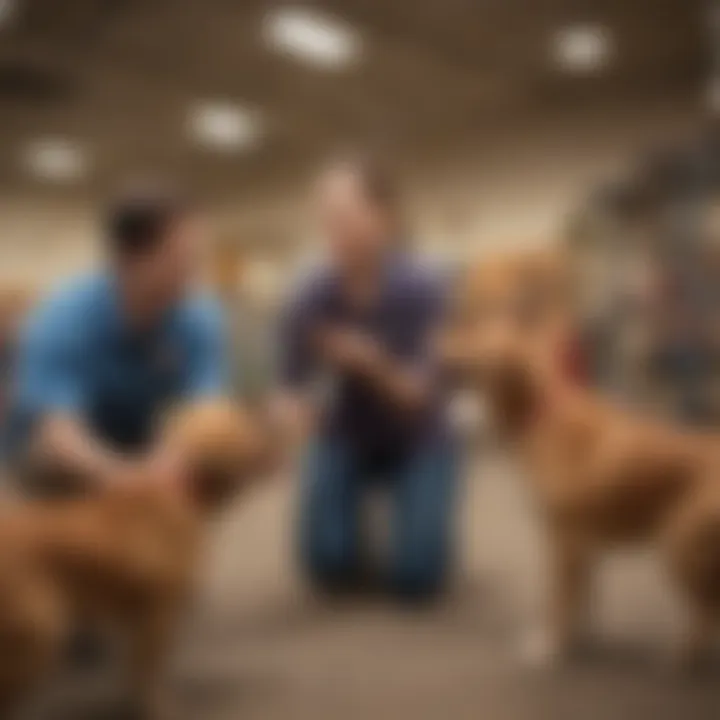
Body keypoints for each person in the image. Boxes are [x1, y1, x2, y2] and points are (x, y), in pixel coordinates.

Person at [275, 154, 458, 603]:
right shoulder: (310, 293)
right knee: (327, 567)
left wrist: (369, 364)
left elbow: (418, 398)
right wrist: (292, 413)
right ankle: (343, 533)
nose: (331, 228)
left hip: (418, 437)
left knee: (416, 580)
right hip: (346, 434)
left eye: (343, 215)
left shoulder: (425, 287)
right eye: (325, 216)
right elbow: (288, 388)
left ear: (384, 218)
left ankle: (413, 533)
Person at [5, 185, 226, 496]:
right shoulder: (64, 314)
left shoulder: (198, 315)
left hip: (143, 445)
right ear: (128, 258)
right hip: (64, 456)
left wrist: (171, 459)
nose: (194, 271)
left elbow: (203, 410)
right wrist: (126, 479)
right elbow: (56, 430)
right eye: (182, 257)